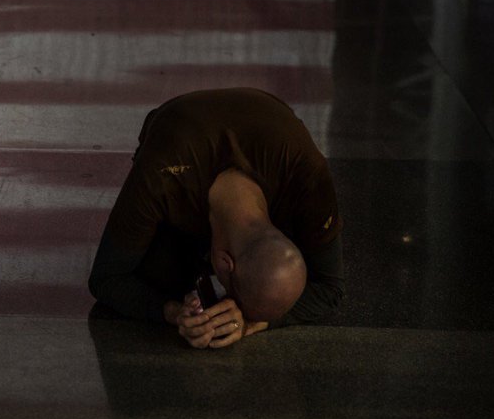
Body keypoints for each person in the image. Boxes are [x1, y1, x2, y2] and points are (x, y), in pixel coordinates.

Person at [88, 88, 344, 348]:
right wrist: (175, 312)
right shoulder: (161, 176)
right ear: (222, 262)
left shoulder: (309, 179)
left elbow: (331, 291)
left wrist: (250, 324)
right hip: (177, 128)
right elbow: (106, 278)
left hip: (262, 127)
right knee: (163, 275)